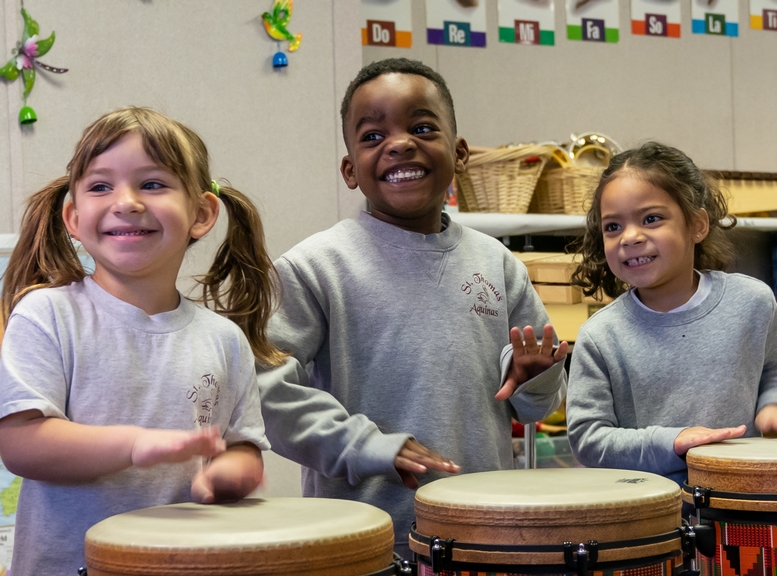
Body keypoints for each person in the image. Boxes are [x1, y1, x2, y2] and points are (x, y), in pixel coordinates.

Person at [257, 57, 568, 554]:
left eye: (422, 127)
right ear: (349, 170)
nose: (400, 143)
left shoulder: (497, 262)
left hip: (485, 534)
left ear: (460, 153)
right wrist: (368, 447)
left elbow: (537, 405)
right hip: (367, 541)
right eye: (373, 136)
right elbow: (264, 393)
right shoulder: (314, 267)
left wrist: (538, 377)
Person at [0, 107, 278, 574]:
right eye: (100, 186)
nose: (126, 202)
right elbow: (21, 444)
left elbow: (243, 446)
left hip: (184, 563)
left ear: (203, 213)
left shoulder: (224, 339)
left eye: (152, 184)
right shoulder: (48, 315)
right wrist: (134, 445)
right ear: (73, 216)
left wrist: (234, 473)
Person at [565, 141, 777, 485]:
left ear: (697, 225)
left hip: (744, 503)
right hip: (651, 514)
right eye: (613, 227)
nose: (630, 237)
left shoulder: (752, 301)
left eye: (651, 219)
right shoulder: (600, 335)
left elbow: (776, 364)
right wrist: (673, 441)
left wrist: (773, 404)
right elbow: (589, 439)